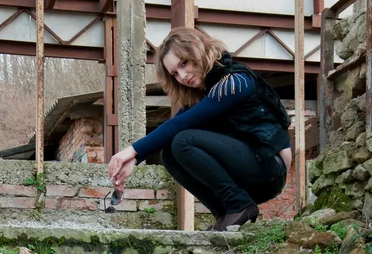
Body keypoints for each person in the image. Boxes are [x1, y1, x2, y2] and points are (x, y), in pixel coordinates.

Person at [108, 27, 292, 231]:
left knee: (183, 140)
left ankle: (240, 206)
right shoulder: (206, 92)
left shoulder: (234, 81)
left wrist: (130, 152)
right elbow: (171, 128)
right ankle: (225, 214)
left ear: (198, 51)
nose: (183, 76)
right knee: (169, 153)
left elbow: (180, 124)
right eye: (175, 73)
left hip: (269, 170)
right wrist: (135, 159)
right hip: (249, 170)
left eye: (184, 63)